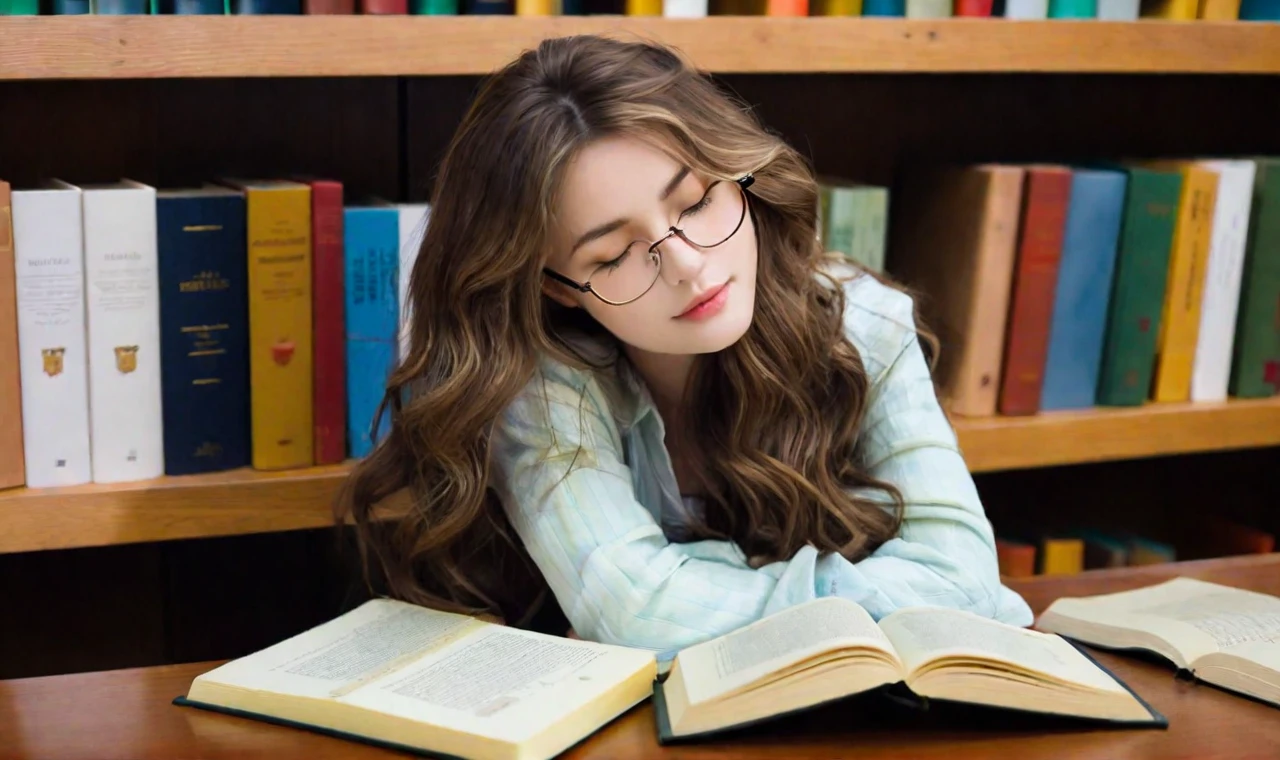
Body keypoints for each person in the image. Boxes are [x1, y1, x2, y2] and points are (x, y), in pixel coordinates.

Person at [336, 33, 1033, 654]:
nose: (691, 265)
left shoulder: (865, 325)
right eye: (613, 256)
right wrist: (883, 597)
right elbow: (638, 610)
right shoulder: (544, 379)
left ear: (739, 173)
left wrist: (697, 600)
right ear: (558, 288)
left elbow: (965, 584)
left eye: (697, 202)